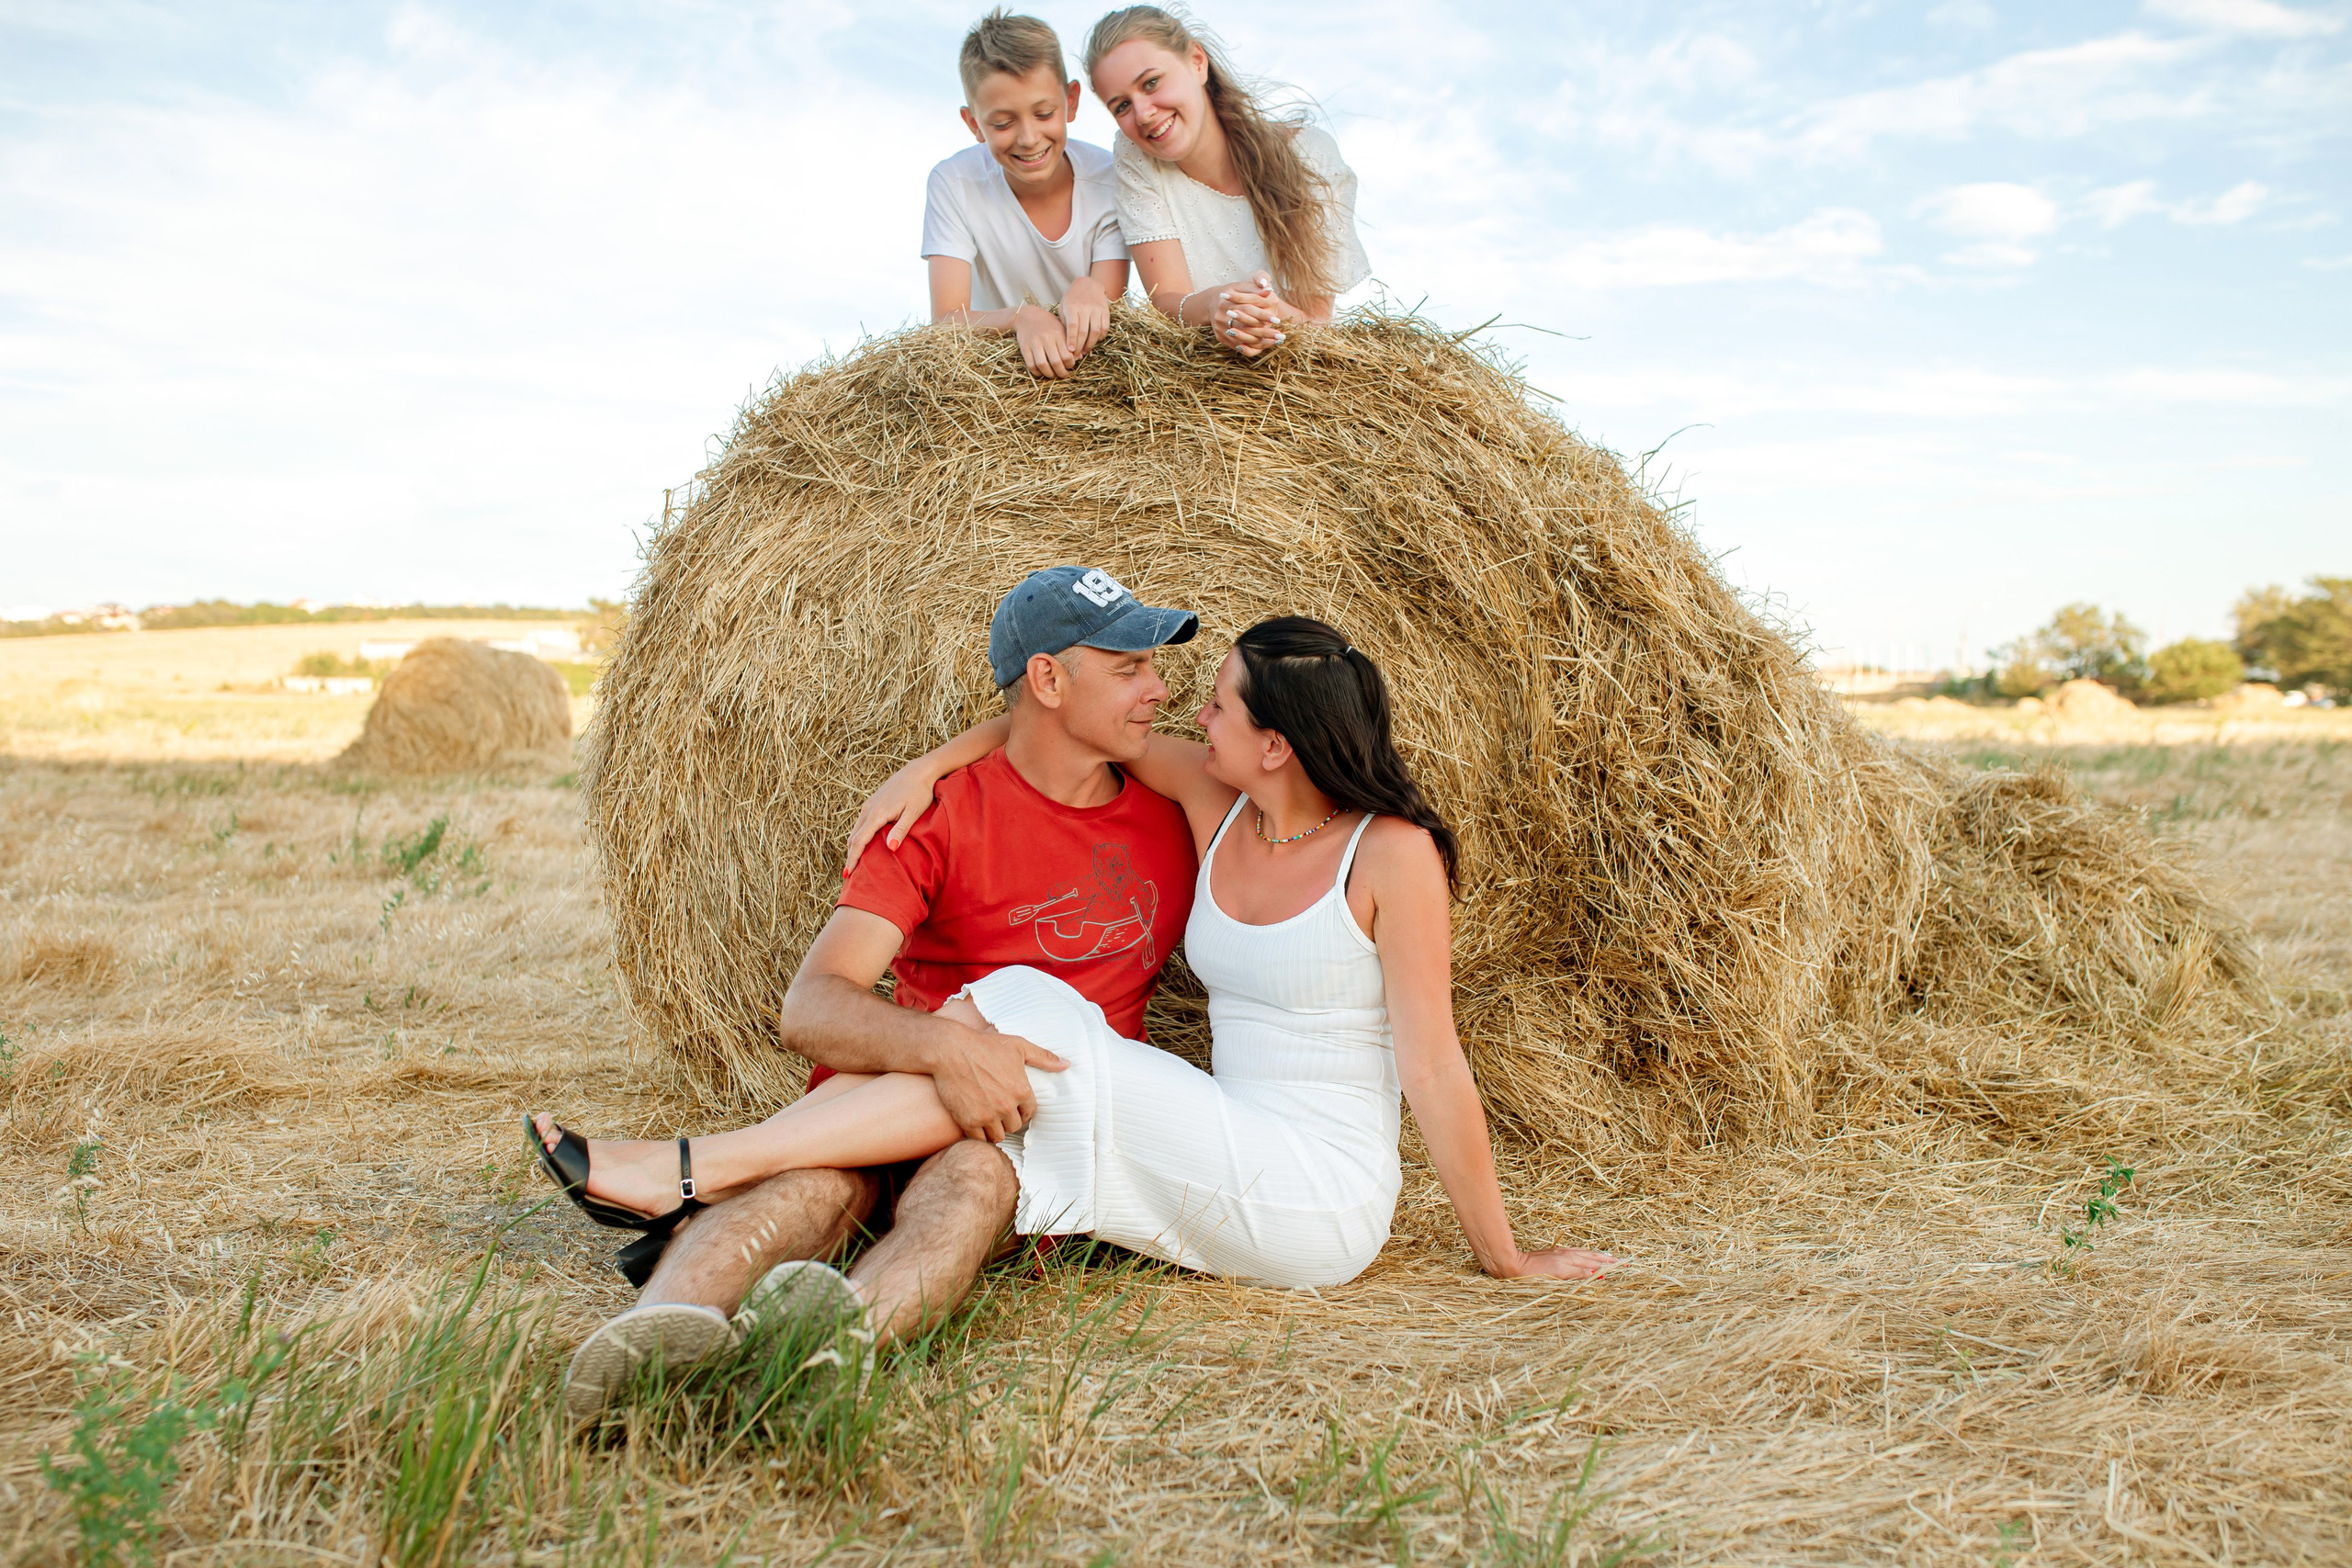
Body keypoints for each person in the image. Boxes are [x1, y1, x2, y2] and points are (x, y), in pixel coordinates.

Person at [537, 616, 1615, 1328]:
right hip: (1216, 1136)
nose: (1191, 710)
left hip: (1314, 1197)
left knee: (1011, 1011)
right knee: (1020, 1002)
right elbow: (1048, 719)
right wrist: (929, 764)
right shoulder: (1219, 802)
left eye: (1223, 705)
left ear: (1278, 745)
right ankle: (712, 1202)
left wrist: (1504, 1256)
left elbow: (1432, 1064)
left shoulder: (1390, 854)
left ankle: (693, 1168)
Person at [530, 565, 1203, 1420]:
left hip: (1030, 1134)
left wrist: (954, 745)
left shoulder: (1174, 805)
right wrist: (946, 1046)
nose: (1160, 687)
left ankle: (821, 1363)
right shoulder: (940, 815)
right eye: (1129, 666)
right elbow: (813, 1003)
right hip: (878, 1107)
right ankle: (655, 1332)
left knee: (971, 1186)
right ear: (1047, 678)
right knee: (804, 1190)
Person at [1083, 6, 1370, 359]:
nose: (1143, 114)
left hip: (1300, 371)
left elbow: (1317, 322)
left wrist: (1264, 313)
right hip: (1197, 371)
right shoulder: (1136, 156)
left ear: (1197, 62)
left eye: (1152, 83)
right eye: (1122, 106)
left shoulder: (1308, 155)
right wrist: (1215, 306)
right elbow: (1167, 299)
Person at [925, 10, 1133, 379]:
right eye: (1003, 124)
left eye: (1043, 113)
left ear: (1070, 101)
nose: (1028, 138)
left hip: (1095, 374)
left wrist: (1089, 287)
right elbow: (945, 318)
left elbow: (1108, 303)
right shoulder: (954, 182)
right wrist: (1021, 317)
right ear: (974, 124)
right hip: (994, 376)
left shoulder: (1110, 179)